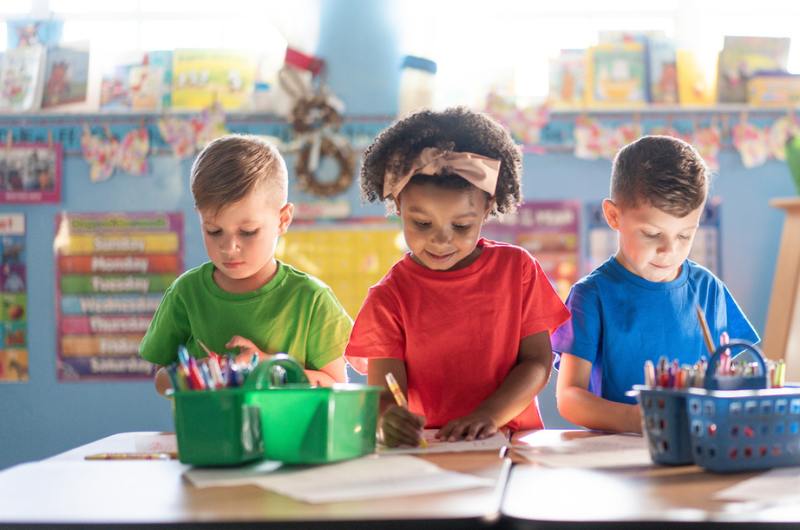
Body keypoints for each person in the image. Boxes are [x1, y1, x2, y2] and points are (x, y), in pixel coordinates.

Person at [345, 107, 570, 447]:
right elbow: (385, 393)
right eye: (422, 223)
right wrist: (387, 418)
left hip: (512, 444)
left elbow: (537, 362)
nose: (441, 239)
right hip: (434, 452)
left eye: (461, 225)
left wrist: (488, 415)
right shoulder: (388, 298)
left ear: (487, 208)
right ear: (398, 207)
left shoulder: (517, 270)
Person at [552, 135, 759, 434]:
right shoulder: (591, 296)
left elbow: (726, 379)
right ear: (613, 216)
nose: (669, 251)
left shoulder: (709, 290)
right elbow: (569, 398)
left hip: (698, 450)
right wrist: (644, 419)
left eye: (685, 235)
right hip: (618, 455)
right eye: (651, 234)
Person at [139, 134, 352, 396]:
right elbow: (161, 379)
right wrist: (191, 377)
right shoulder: (186, 293)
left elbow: (337, 386)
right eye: (214, 231)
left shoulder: (312, 299)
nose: (229, 247)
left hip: (289, 438)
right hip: (207, 436)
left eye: (248, 231)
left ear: (283, 220)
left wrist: (270, 368)